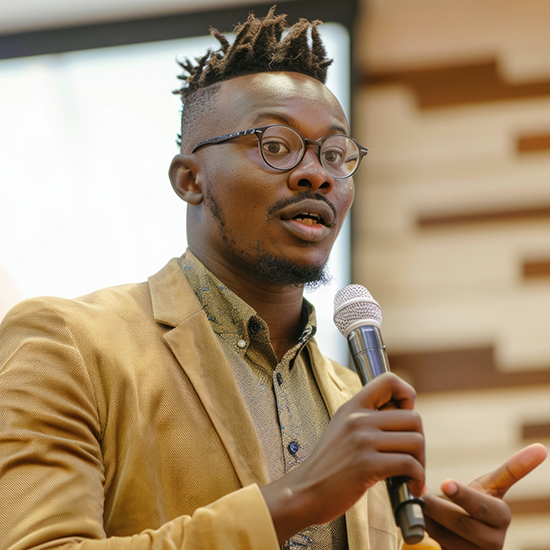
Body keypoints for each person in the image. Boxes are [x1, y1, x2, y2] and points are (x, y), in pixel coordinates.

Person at [0, 7, 546, 550]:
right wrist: (300, 497)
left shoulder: (350, 394)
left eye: (335, 154)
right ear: (190, 179)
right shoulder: (68, 344)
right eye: (276, 146)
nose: (317, 173)